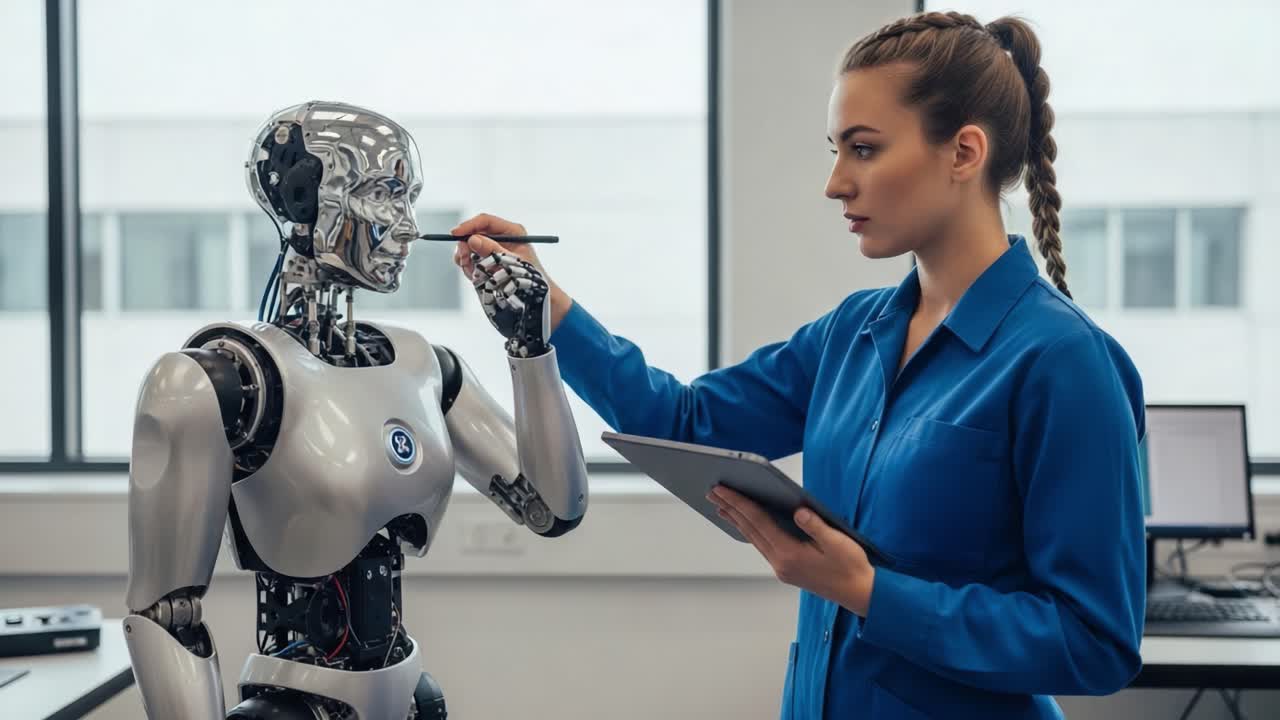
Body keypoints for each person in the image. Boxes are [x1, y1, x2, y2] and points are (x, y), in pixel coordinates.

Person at [451, 10, 1146, 720]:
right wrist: (548, 309)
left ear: (964, 153)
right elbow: (685, 421)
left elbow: (1095, 641)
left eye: (864, 149)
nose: (836, 183)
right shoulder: (853, 333)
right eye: (836, 150)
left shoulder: (1066, 365)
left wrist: (870, 592)